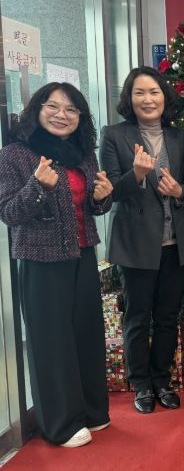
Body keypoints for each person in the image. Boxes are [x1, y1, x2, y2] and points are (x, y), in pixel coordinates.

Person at [0, 83, 113, 447]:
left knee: (87, 334)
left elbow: (91, 206)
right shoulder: (15, 155)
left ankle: (93, 411)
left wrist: (103, 198)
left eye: (71, 109)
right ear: (37, 109)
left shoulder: (83, 154)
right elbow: (8, 213)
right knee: (52, 342)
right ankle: (61, 424)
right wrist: (37, 187)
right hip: (41, 258)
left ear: (80, 117)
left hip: (83, 253)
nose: (62, 115)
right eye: (53, 106)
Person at [100, 67, 184, 414]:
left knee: (168, 316)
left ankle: (162, 380)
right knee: (138, 317)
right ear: (129, 98)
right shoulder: (114, 135)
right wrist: (137, 174)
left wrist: (180, 190)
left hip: (176, 242)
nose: (147, 99)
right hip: (136, 244)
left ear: (164, 97)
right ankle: (141, 384)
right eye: (139, 92)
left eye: (154, 92)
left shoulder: (180, 138)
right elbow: (110, 191)